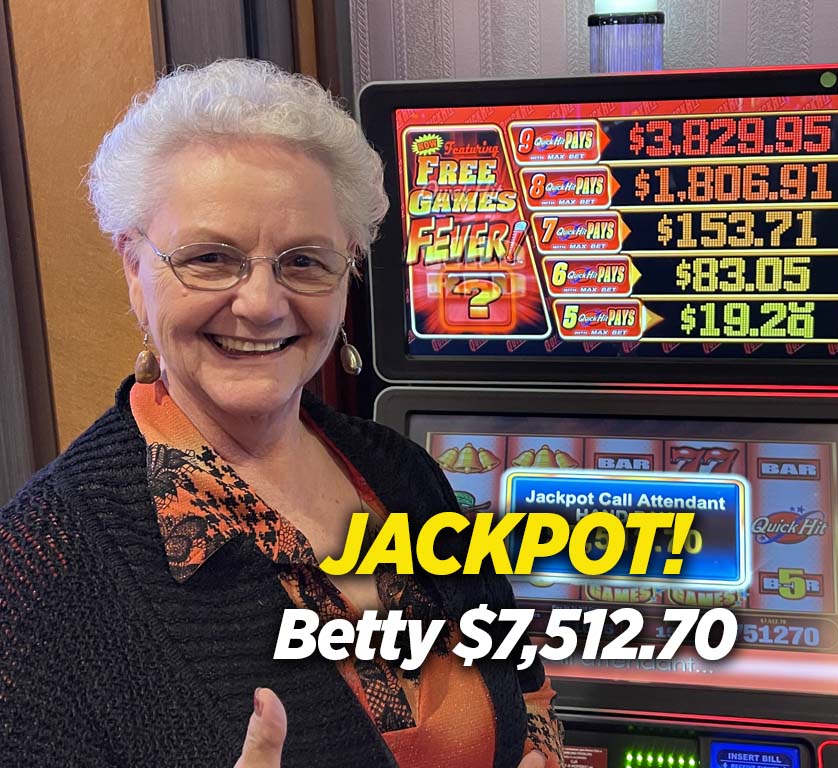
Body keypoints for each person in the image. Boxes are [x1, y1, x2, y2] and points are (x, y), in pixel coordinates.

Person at [0, 59, 563, 768]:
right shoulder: (46, 559)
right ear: (133, 269)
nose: (262, 304)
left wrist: (536, 754)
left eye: (303, 261)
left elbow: (523, 684)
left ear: (347, 272)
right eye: (210, 258)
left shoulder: (402, 473)